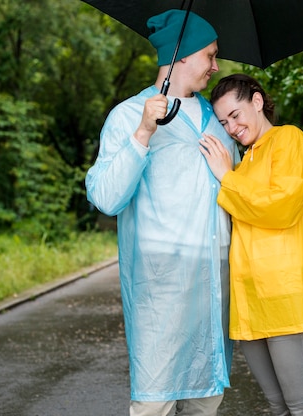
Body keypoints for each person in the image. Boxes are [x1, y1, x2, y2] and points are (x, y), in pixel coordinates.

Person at [85, 10, 240, 416]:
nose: (216, 66)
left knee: (207, 399)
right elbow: (105, 196)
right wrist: (143, 134)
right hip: (161, 283)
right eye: (210, 55)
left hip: (214, 280)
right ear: (182, 56)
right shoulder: (127, 116)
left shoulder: (218, 120)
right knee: (154, 403)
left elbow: (240, 190)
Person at [198, 74, 303, 416]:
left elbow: (281, 208)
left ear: (257, 102)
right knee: (279, 406)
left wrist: (225, 177)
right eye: (223, 122)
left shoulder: (290, 140)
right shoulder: (246, 161)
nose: (231, 127)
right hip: (251, 303)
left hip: (287, 298)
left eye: (235, 114)